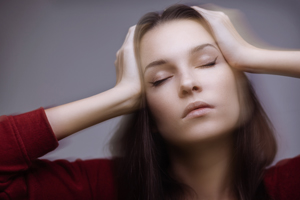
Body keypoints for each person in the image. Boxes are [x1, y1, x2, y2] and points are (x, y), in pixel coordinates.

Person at [1, 4, 300, 200]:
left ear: (242, 89)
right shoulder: (101, 190)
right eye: (159, 80)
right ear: (148, 113)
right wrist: (119, 97)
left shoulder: (287, 188)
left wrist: (252, 56)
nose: (187, 83)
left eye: (208, 62)